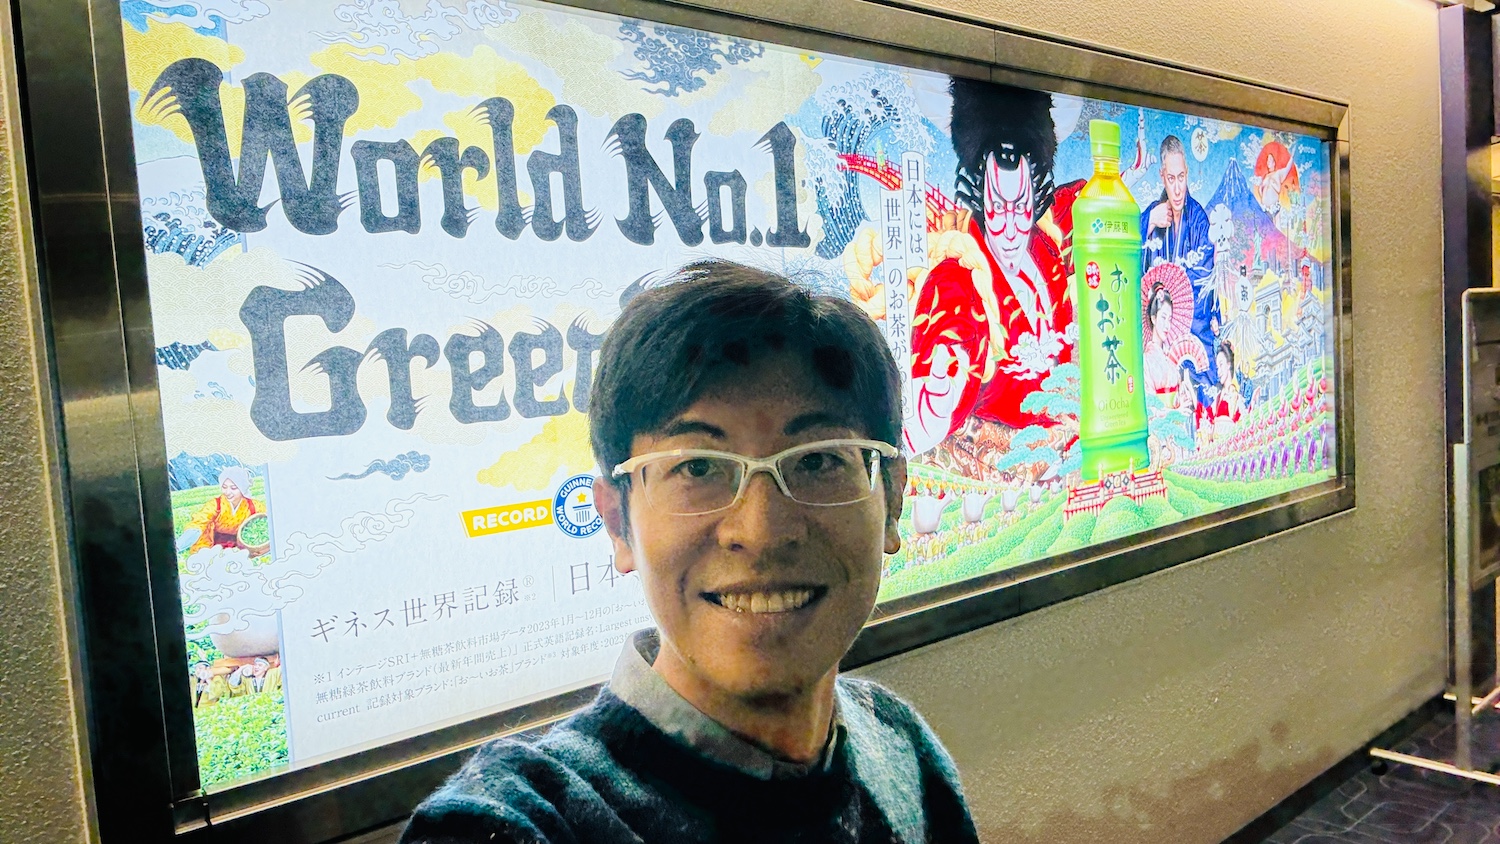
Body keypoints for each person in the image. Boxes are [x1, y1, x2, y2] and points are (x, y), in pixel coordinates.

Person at [401, 261, 978, 844]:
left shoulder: (901, 750)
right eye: (698, 467)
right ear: (617, 521)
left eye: (818, 459)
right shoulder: (522, 816)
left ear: (893, 499)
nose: (761, 530)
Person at [900, 78, 1084, 455]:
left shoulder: (1046, 245)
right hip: (1009, 458)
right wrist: (938, 395)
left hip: (1068, 445)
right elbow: (950, 333)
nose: (1011, 228)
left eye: (1021, 207)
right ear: (979, 198)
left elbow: (1081, 201)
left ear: (1036, 197)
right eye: (998, 208)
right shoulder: (960, 278)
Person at [1141, 135, 1218, 381]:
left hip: (1190, 323)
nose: (1177, 189)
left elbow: (1205, 278)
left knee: (1200, 371)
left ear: (1187, 174)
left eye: (1181, 178)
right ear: (1162, 176)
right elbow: (1129, 257)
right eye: (1171, 178)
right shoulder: (1153, 213)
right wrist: (1149, 222)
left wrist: (1171, 296)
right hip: (1156, 324)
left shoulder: (1198, 219)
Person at [182, 466, 263, 553]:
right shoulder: (215, 504)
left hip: (243, 548)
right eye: (224, 487)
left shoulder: (254, 506)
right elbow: (200, 521)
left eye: (233, 488)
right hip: (213, 548)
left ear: (243, 488)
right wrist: (188, 537)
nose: (227, 492)